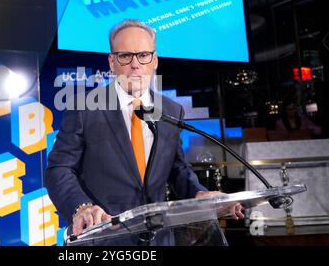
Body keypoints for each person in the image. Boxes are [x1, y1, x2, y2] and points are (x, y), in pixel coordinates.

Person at [45, 19, 244, 245]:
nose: (135, 64)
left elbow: (176, 168)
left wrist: (199, 194)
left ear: (154, 60)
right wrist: (82, 207)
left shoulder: (170, 110)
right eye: (125, 56)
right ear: (112, 62)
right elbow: (59, 169)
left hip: (159, 239)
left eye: (143, 55)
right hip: (103, 238)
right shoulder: (85, 107)